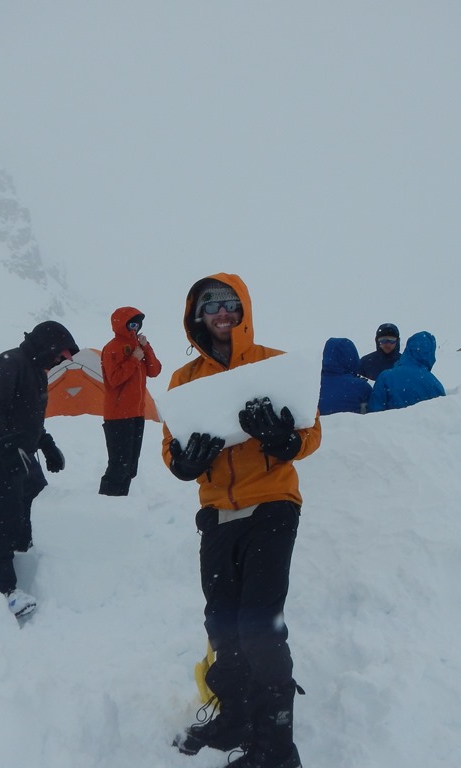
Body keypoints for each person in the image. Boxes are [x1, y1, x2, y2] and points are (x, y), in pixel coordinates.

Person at [164, 274, 321, 768]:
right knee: (223, 624)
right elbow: (171, 447)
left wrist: (284, 440)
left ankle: (277, 749)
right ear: (197, 316)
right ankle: (234, 714)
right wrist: (183, 463)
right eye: (210, 305)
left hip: (273, 504)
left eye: (229, 303)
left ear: (243, 309)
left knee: (260, 625)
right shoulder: (183, 381)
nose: (221, 311)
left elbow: (311, 432)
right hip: (216, 513)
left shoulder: (274, 364)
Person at [0, 320, 78, 617]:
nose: (63, 360)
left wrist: (46, 445)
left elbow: (30, 419)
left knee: (35, 496)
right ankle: (0, 589)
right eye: (62, 353)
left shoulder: (36, 372)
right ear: (47, 345)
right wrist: (5, 446)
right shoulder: (9, 364)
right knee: (3, 517)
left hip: (21, 453)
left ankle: (23, 553)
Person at [99, 306, 162, 496]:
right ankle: (107, 504)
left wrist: (146, 347)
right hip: (118, 415)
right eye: (132, 324)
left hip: (137, 414)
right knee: (119, 466)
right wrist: (134, 359)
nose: (135, 328)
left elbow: (155, 371)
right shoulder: (112, 348)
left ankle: (120, 502)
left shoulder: (138, 346)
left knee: (130, 467)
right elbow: (115, 379)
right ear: (122, 325)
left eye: (138, 324)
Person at [368, 330, 446, 412]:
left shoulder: (386, 377)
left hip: (391, 424)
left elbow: (374, 413)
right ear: (430, 354)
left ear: (408, 349)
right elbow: (441, 418)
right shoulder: (435, 385)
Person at [318, 337, 372, 415]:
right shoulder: (361, 386)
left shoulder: (313, 384)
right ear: (353, 357)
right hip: (353, 426)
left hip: (319, 426)